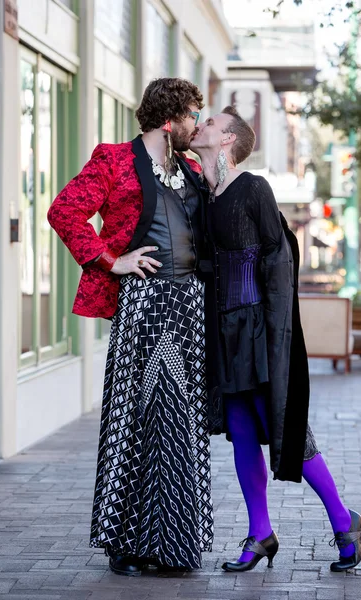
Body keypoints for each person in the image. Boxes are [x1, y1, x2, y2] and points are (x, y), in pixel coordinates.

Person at [190, 106, 361, 573]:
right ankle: (260, 532)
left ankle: (343, 520)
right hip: (224, 334)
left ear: (228, 139)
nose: (201, 126)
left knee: (285, 429)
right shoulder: (206, 197)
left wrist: (276, 334)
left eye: (210, 123)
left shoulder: (253, 188)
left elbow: (279, 254)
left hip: (258, 330)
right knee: (243, 435)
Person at [47, 78, 213, 577]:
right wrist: (110, 260)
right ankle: (127, 543)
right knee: (137, 418)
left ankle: (174, 546)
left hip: (188, 308)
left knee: (180, 423)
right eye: (191, 116)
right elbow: (65, 211)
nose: (195, 125)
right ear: (169, 119)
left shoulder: (191, 169)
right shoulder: (114, 160)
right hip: (143, 305)